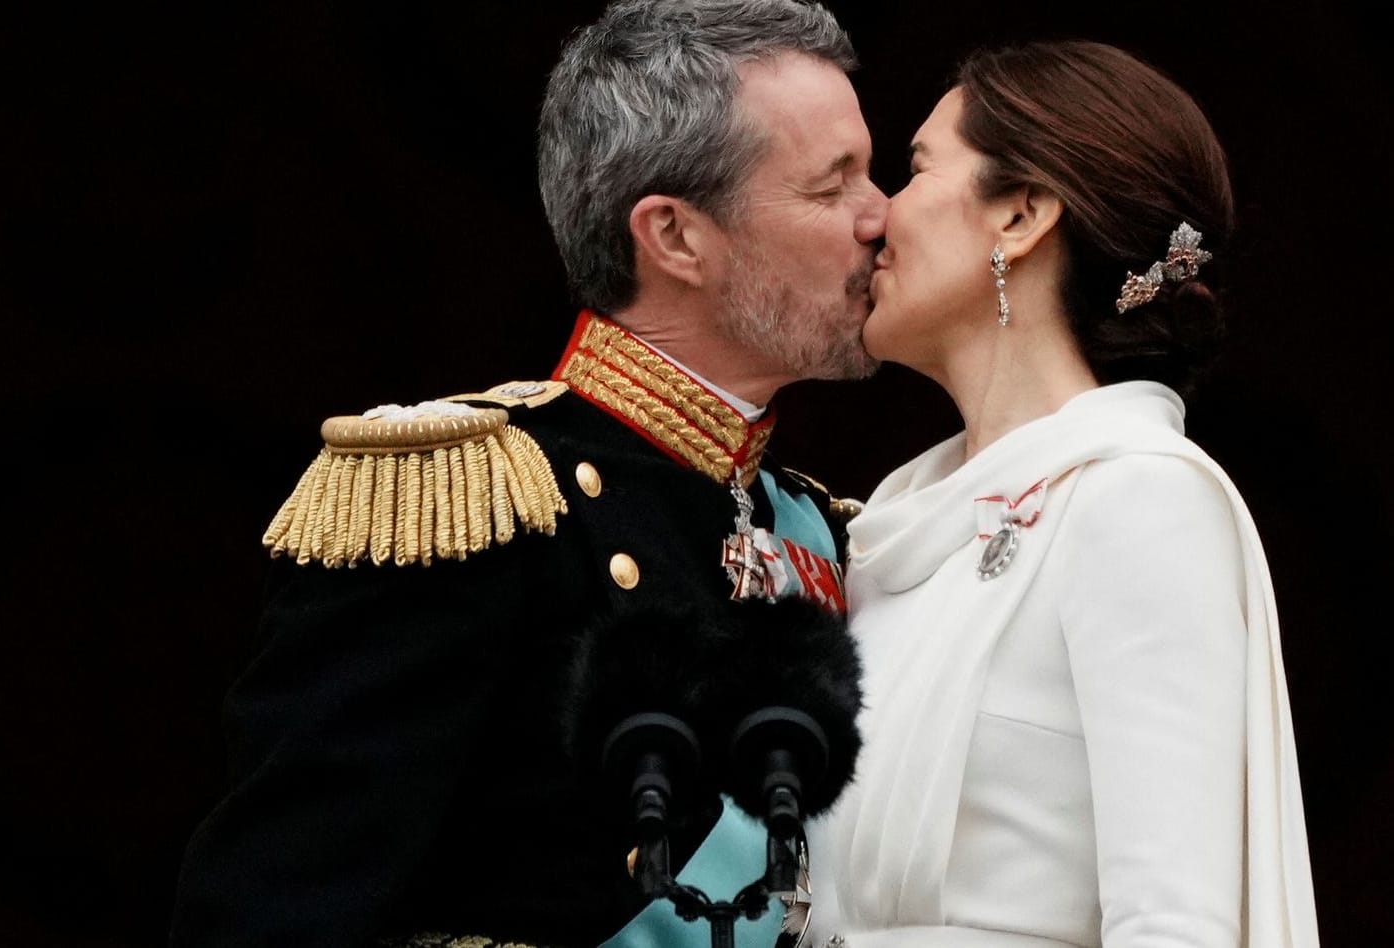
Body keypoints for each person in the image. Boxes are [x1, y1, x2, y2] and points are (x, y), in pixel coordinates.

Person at [167, 2, 885, 947]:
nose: (881, 216)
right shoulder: (473, 497)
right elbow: (278, 911)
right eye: (831, 187)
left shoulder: (818, 525)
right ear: (674, 236)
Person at [798, 40, 1318, 948]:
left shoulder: (1137, 502)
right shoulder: (887, 529)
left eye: (915, 170)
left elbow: (1176, 926)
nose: (876, 214)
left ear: (1021, 215)